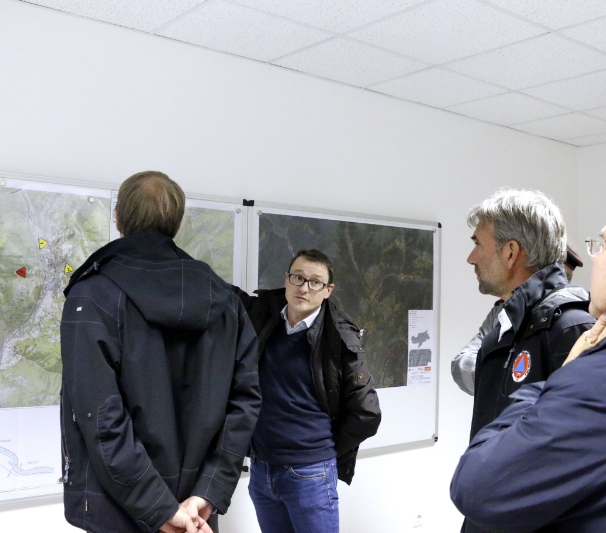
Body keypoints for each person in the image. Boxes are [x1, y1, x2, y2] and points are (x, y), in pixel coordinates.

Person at [451, 181, 606, 531]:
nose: (590, 258)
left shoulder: (579, 336)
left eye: (601, 245)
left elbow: (481, 484)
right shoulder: (509, 321)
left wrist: (567, 376)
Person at [59, 171, 261, 533]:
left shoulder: (92, 296)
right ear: (177, 224)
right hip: (195, 515)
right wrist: (206, 494)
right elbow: (244, 404)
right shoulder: (227, 302)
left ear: (118, 218)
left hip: (120, 513)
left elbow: (100, 417)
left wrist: (160, 508)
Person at [461, 189, 595, 533]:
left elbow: (583, 456)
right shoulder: (508, 326)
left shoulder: (570, 326)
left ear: (510, 252)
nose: (471, 258)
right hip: (488, 514)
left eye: (478, 244)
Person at [232, 249, 381, 533]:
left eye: (315, 282)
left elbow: (368, 413)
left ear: (328, 290)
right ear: (286, 279)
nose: (304, 288)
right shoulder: (264, 316)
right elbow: (226, 294)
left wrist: (321, 451)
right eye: (298, 278)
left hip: (310, 474)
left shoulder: (339, 338)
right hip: (262, 469)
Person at [451, 244, 585, 395]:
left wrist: (503, 373)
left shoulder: (575, 318)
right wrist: (511, 375)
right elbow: (461, 364)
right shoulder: (502, 311)